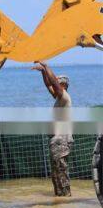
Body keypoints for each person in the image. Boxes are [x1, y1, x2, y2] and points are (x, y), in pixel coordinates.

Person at [32, 61, 73, 196]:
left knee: (61, 172)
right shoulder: (58, 98)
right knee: (56, 173)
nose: (54, 84)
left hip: (62, 141)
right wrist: (43, 72)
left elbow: (53, 84)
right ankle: (60, 199)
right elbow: (49, 85)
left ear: (63, 85)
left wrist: (46, 66)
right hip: (58, 141)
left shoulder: (65, 97)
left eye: (57, 82)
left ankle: (65, 197)